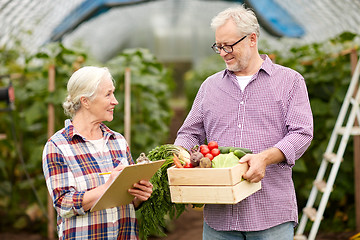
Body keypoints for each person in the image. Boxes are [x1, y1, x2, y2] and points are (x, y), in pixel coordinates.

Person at [174, 5, 313, 240]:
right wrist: (178, 153)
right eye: (218, 46)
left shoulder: (290, 81)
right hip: (220, 216)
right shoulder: (210, 86)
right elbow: (189, 133)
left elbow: (302, 133)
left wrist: (264, 158)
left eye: (229, 45)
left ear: (252, 39)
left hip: (270, 214)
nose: (223, 52)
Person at [42, 66, 153, 240]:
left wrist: (139, 195)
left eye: (113, 93)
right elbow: (64, 204)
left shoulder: (118, 141)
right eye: (108, 94)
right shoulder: (58, 146)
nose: (115, 101)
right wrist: (107, 186)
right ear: (85, 101)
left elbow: (128, 199)